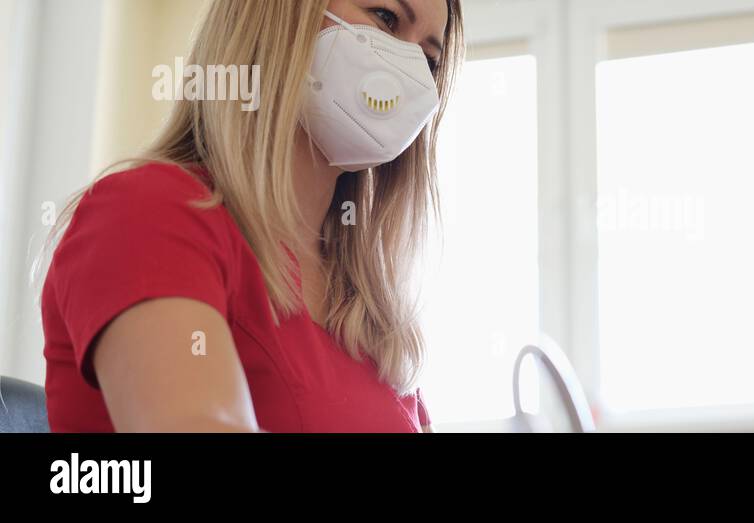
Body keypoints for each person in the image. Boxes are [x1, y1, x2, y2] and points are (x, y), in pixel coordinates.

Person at [40, 0, 463, 432]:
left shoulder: (366, 312)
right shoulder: (145, 212)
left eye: (429, 59)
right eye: (386, 17)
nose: (409, 67)